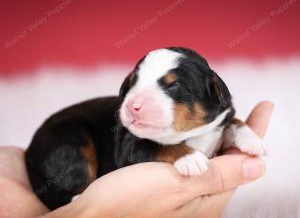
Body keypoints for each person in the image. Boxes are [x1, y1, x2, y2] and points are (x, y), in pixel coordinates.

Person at [0, 101, 273, 218]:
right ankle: (72, 193)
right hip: (64, 138)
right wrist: (82, 213)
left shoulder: (208, 118)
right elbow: (143, 150)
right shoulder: (144, 131)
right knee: (76, 164)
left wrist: (238, 129)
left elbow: (222, 122)